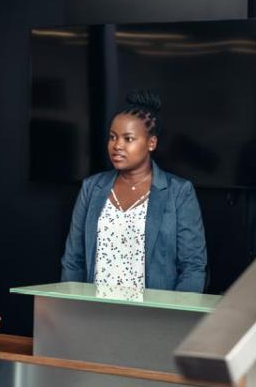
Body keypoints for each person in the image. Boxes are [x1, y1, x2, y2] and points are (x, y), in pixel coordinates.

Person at [61, 90, 207, 293]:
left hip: (152, 317)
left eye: (128, 139)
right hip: (94, 312)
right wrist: (70, 308)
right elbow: (73, 260)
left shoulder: (178, 192)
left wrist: (175, 317)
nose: (117, 145)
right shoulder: (92, 188)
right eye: (113, 137)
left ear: (151, 143)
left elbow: (193, 266)